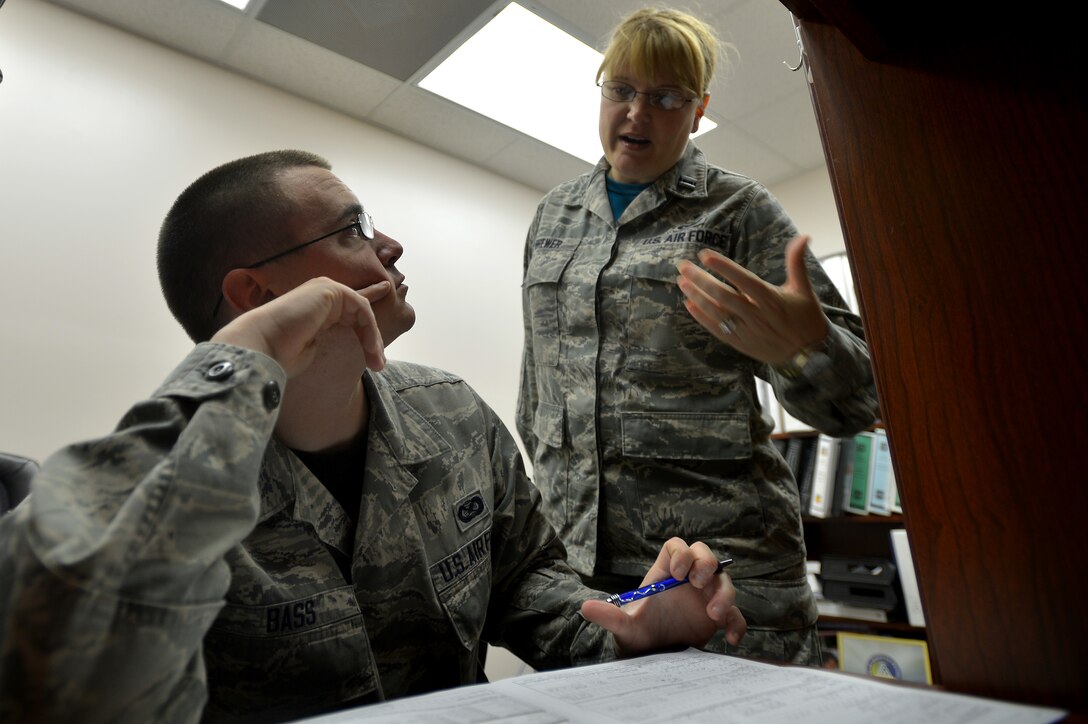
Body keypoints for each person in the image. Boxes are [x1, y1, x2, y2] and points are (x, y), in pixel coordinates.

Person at [0, 150, 747, 722]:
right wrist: (245, 356)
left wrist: (631, 627)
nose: (390, 245)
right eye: (354, 228)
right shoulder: (174, 478)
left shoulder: (451, 412)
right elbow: (47, 669)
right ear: (255, 293)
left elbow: (527, 585)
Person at [516, 8, 879, 666]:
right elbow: (536, 395)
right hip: (585, 576)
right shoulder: (553, 217)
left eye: (665, 97)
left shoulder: (738, 212)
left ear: (699, 108)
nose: (636, 114)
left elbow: (860, 401)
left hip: (723, 579)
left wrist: (805, 350)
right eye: (621, 90)